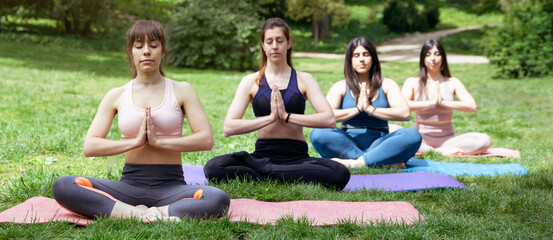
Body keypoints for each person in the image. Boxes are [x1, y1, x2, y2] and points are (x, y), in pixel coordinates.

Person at [52, 20, 230, 222]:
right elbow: (90, 146)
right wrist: (135, 142)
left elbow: (206, 140)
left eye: (153, 46)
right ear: (131, 52)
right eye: (139, 46)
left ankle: (142, 213)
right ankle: (142, 214)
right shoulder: (116, 95)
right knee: (64, 185)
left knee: (217, 198)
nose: (146, 51)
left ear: (163, 51)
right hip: (129, 186)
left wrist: (160, 142)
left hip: (172, 186)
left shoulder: (182, 90)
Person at [203, 18, 350, 190]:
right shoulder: (251, 81)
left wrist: (287, 116)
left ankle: (265, 173)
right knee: (213, 167)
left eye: (279, 41)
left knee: (339, 173)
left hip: (297, 157)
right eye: (269, 41)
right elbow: (229, 127)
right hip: (263, 153)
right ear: (263, 45)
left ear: (288, 43)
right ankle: (282, 174)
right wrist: (271, 118)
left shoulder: (304, 79)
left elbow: (329, 119)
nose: (274, 46)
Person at [310, 37, 422, 169]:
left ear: (373, 58)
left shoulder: (387, 85)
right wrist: (357, 109)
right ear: (350, 60)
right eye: (356, 55)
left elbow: (404, 113)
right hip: (347, 144)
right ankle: (378, 161)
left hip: (380, 143)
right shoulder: (340, 86)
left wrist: (370, 109)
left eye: (366, 55)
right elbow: (326, 116)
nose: (361, 59)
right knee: (318, 133)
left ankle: (358, 163)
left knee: (412, 135)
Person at [400, 39, 491, 155]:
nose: (433, 58)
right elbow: (402, 107)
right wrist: (431, 103)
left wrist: (443, 102)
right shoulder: (412, 82)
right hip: (421, 138)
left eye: (437, 54)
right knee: (395, 130)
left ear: (443, 58)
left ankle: (435, 151)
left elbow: (472, 106)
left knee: (484, 140)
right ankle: (437, 152)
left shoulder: (452, 82)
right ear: (423, 59)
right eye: (428, 55)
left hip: (447, 139)